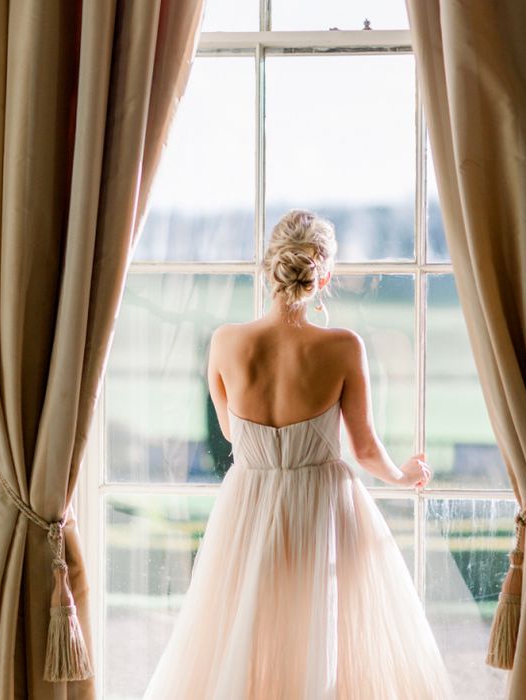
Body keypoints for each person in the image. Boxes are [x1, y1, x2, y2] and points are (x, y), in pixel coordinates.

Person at [143, 210, 455, 699]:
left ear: (269, 268)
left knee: (247, 634)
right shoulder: (343, 347)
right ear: (323, 275)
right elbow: (366, 448)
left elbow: (232, 435)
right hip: (323, 509)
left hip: (248, 504)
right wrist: (403, 475)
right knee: (324, 634)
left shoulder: (225, 342)